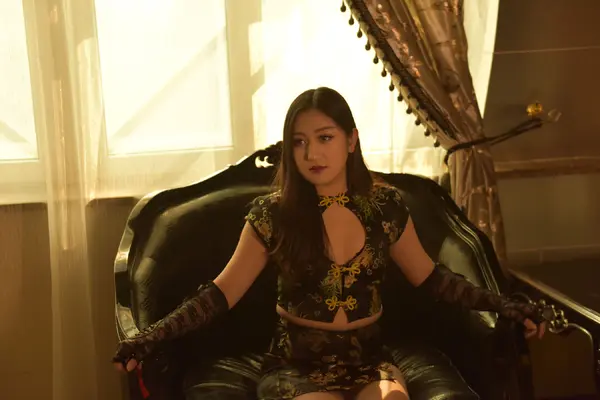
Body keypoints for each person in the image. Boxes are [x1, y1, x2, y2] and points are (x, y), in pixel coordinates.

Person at [113, 87, 547, 400]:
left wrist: (505, 304)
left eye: (325, 138)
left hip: (369, 363)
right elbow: (219, 294)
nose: (311, 154)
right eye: (299, 143)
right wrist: (148, 338)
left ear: (351, 140)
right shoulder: (271, 215)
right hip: (296, 367)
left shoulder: (385, 207)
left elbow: (433, 279)